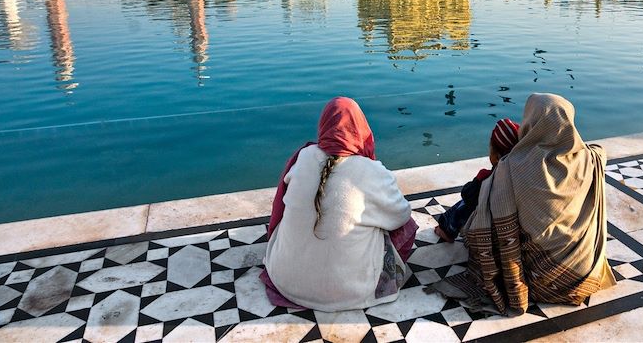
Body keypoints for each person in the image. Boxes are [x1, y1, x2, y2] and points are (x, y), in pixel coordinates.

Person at [429, 93, 616, 315]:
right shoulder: (592, 159)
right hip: (583, 273)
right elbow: (595, 150)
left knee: (485, 216)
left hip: (538, 281)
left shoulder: (512, 167)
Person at [263, 97, 417, 311]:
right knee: (403, 224)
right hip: (352, 291)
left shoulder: (304, 156)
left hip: (285, 280)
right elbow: (401, 216)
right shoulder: (372, 172)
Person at [434, 118, 519, 243]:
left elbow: (467, 194)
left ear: (494, 155)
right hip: (515, 232)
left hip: (489, 233)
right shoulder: (523, 175)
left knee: (465, 204)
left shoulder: (487, 177)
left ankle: (447, 230)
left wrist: (476, 182)